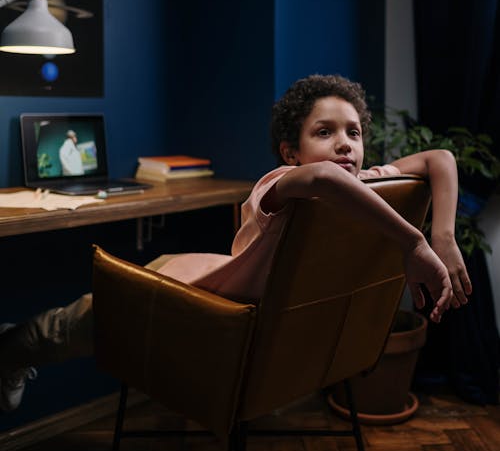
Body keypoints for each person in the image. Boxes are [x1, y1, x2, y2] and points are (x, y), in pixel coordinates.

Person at [0, 74, 471, 413]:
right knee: (131, 286)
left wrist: (439, 238)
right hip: (230, 296)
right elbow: (425, 162)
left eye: (353, 132)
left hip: (219, 316)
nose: (345, 144)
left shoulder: (359, 185)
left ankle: (12, 347)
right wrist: (422, 240)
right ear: (291, 153)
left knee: (96, 309)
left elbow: (439, 157)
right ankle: (13, 348)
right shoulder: (285, 182)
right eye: (324, 133)